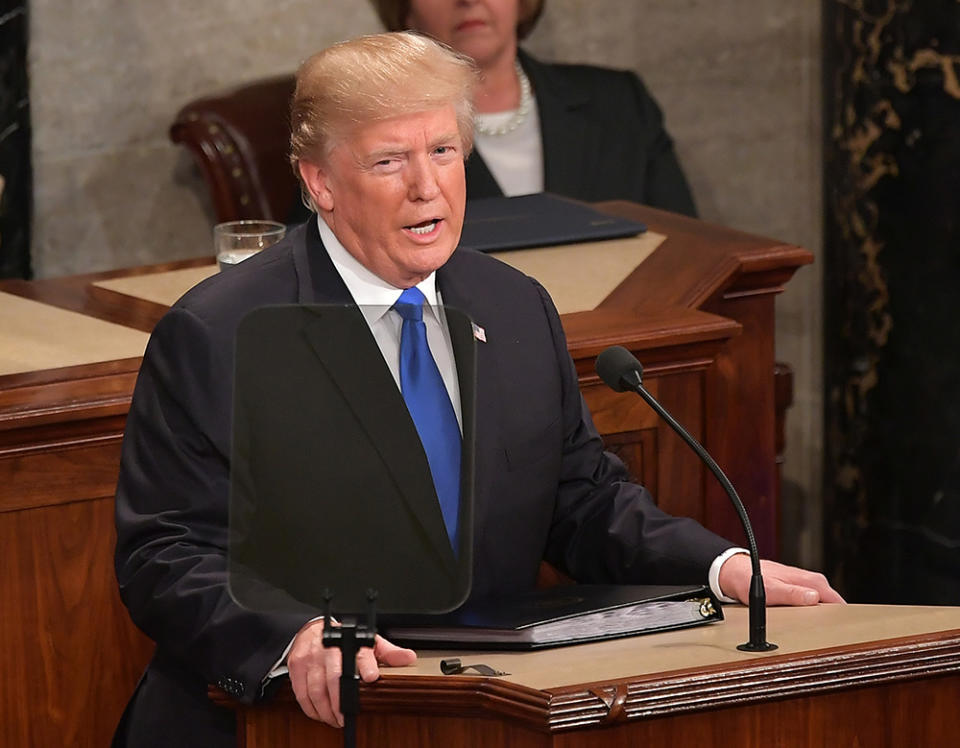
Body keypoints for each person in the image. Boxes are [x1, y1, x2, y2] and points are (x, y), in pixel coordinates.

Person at [113, 32, 841, 748]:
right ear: (319, 182)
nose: (426, 186)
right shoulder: (219, 333)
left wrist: (721, 567)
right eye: (389, 160)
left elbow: (582, 500)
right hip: (269, 726)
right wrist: (296, 636)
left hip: (473, 714)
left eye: (442, 151)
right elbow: (165, 552)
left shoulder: (514, 306)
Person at [288, 0, 697, 224]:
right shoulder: (358, 122)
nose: (468, 0)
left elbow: (686, 243)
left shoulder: (619, 101)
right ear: (405, 10)